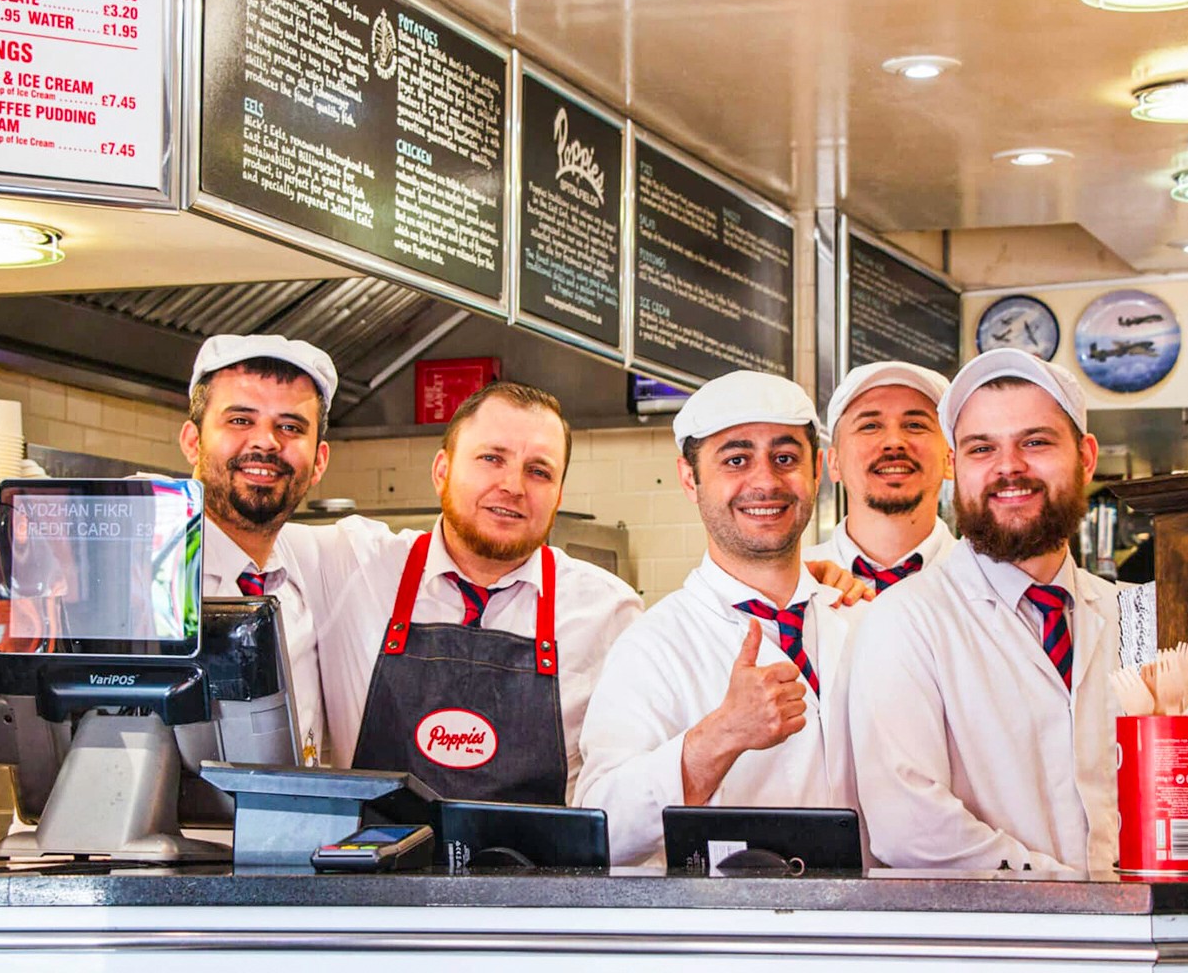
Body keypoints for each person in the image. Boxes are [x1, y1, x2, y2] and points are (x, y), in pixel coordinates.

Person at [0, 334, 337, 765]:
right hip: (102, 825)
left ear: (318, 461)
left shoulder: (318, 568)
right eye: (240, 420)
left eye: (290, 427)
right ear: (192, 441)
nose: (266, 442)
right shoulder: (124, 537)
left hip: (283, 828)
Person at [296, 381, 645, 804]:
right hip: (377, 869)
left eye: (539, 471)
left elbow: (626, 793)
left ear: (558, 495)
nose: (513, 486)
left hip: (541, 870)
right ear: (441, 470)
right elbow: (238, 535)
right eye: (491, 458)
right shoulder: (351, 563)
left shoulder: (610, 612)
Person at [848, 348, 1121, 872]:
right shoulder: (906, 621)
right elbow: (908, 825)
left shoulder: (1130, 613)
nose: (1009, 468)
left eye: (1035, 442)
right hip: (993, 944)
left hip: (1139, 937)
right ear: (954, 466)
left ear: (1086, 457)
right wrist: (1072, 897)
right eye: (981, 449)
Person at [575, 371, 861, 865]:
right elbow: (602, 832)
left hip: (874, 933)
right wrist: (723, 734)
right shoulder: (653, 646)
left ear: (817, 470)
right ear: (691, 479)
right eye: (736, 459)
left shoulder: (862, 621)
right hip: (731, 936)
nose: (766, 481)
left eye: (786, 458)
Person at [804, 361, 954, 593]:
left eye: (915, 425)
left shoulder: (991, 582)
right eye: (870, 426)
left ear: (950, 459)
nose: (894, 442)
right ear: (834, 464)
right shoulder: (796, 583)